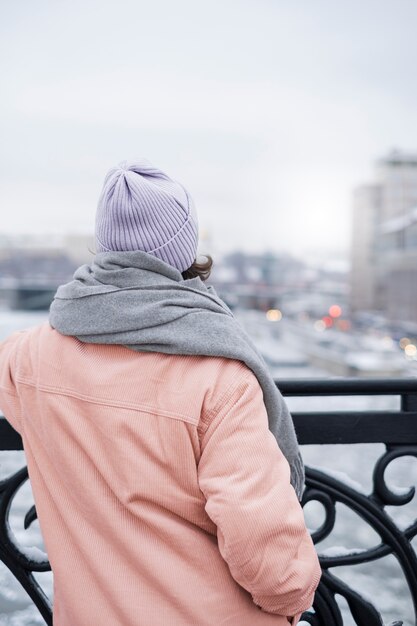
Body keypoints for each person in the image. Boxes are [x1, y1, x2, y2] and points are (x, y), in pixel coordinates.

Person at [0, 160, 321, 626]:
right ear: (184, 248)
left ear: (104, 246)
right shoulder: (220, 376)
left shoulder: (29, 357)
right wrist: (295, 600)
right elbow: (265, 550)